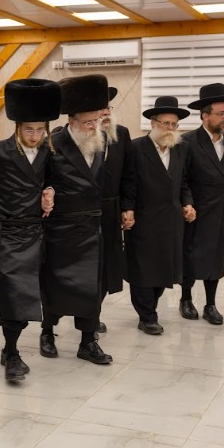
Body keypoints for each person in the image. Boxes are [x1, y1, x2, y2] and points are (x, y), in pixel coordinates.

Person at [0, 78, 60, 381]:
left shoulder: (48, 152)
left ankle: (9, 349)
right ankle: (12, 353)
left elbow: (53, 180)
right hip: (7, 234)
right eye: (28, 130)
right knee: (12, 294)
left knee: (27, 295)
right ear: (18, 127)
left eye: (40, 130)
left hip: (36, 233)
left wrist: (50, 190)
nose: (34, 136)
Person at [39, 74, 113, 364]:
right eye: (88, 122)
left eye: (97, 120)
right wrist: (46, 191)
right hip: (60, 227)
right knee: (54, 284)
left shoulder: (101, 141)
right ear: (71, 121)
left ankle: (87, 341)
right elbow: (40, 180)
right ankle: (47, 332)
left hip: (91, 227)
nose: (94, 126)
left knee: (91, 288)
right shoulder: (52, 144)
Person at [123, 96, 195, 335]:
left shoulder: (181, 148)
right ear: (153, 123)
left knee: (163, 269)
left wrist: (187, 203)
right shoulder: (135, 148)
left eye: (174, 124)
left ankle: (150, 309)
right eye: (165, 123)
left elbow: (183, 182)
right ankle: (147, 316)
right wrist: (127, 209)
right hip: (143, 219)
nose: (170, 128)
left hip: (171, 220)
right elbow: (128, 183)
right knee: (143, 269)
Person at [179, 83, 224, 325]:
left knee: (216, 258)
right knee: (190, 255)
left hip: (219, 210)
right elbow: (182, 179)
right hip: (195, 209)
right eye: (220, 113)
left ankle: (210, 304)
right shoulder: (187, 141)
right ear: (204, 115)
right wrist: (187, 204)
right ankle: (186, 299)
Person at [96, 85, 134, 335]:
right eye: (101, 109)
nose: (106, 113)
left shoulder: (121, 133)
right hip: (83, 212)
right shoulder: (74, 135)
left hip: (111, 210)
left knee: (105, 267)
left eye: (108, 107)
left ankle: (93, 314)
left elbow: (129, 175)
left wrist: (127, 207)